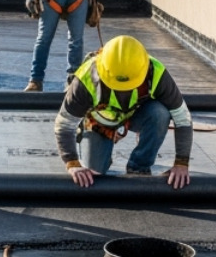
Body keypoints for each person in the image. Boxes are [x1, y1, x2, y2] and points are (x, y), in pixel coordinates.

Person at [55, 36, 192, 190]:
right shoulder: (86, 77)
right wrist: (72, 163)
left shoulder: (156, 72)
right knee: (93, 175)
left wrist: (181, 162)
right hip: (99, 121)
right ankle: (102, 147)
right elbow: (65, 124)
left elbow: (183, 119)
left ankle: (139, 166)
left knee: (160, 113)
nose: (123, 89)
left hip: (135, 114)